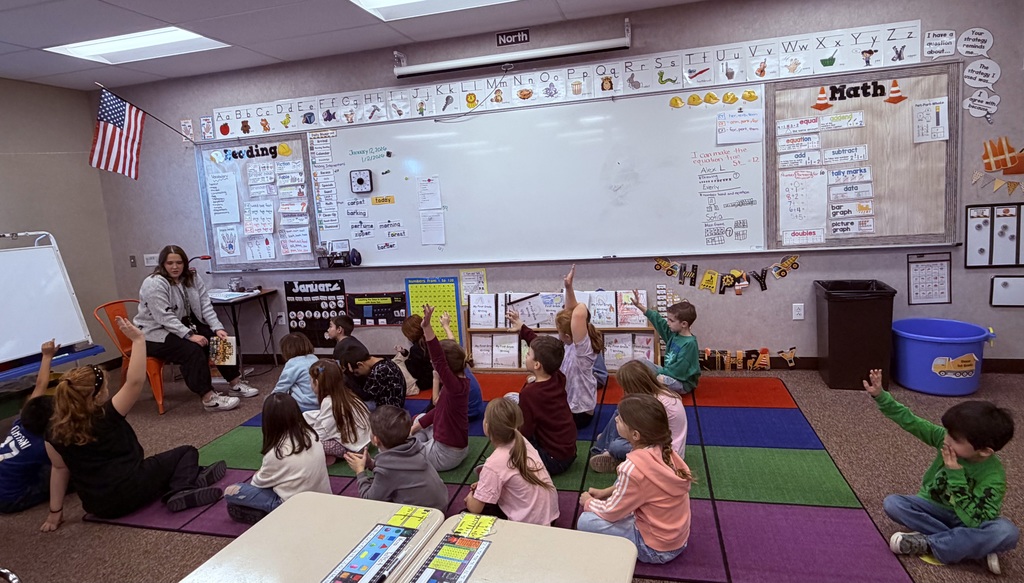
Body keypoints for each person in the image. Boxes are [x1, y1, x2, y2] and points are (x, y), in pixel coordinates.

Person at [41, 317, 227, 531]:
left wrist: (55, 513)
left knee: (158, 468)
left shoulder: (52, 431)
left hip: (98, 505)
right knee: (186, 452)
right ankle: (181, 488)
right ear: (97, 394)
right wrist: (139, 340)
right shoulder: (108, 413)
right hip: (133, 490)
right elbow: (135, 381)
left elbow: (59, 468)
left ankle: (192, 475)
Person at [862, 369, 1018, 575]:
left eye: (955, 439)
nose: (946, 440)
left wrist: (955, 475)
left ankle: (931, 543)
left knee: (1007, 532)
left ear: (984, 451)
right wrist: (882, 397)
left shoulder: (994, 477)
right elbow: (912, 422)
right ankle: (973, 548)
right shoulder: (944, 439)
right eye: (947, 433)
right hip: (934, 508)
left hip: (970, 519)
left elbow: (975, 520)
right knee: (894, 504)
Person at [134, 245, 258, 412]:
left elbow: (205, 305)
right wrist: (189, 335)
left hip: (182, 325)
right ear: (162, 264)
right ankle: (208, 398)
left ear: (185, 263)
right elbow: (164, 317)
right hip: (153, 334)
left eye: (179, 262)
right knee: (192, 349)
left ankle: (235, 383)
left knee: (220, 340)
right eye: (170, 263)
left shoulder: (191, 277)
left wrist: (217, 327)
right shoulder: (154, 283)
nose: (175, 267)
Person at [577, 393, 693, 564]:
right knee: (626, 481)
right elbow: (643, 487)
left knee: (586, 521)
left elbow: (610, 512)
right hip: (676, 540)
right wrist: (605, 492)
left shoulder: (633, 468)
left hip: (654, 549)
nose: (616, 419)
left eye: (621, 419)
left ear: (636, 435)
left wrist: (588, 502)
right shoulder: (665, 452)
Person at [224, 393, 331, 524]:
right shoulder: (311, 435)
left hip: (293, 505)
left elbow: (257, 483)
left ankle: (270, 514)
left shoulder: (277, 452)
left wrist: (262, 473)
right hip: (323, 498)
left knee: (231, 492)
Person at [464, 398, 558, 526]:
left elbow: (475, 508)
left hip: (528, 524)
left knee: (465, 515)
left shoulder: (493, 463)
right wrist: (483, 484)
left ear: (486, 426)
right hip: (549, 515)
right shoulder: (522, 441)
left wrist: (470, 496)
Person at [506, 313, 576, 476]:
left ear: (537, 364)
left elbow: (525, 432)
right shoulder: (558, 376)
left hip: (552, 460)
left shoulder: (530, 394)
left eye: (528, 354)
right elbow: (546, 351)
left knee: (509, 438)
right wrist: (522, 328)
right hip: (569, 452)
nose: (526, 355)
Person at [590, 360, 687, 473]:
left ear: (634, 387)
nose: (624, 392)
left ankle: (610, 451)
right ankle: (606, 449)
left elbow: (643, 437)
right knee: (621, 412)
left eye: (625, 388)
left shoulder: (654, 404)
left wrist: (623, 437)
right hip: (658, 442)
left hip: (665, 454)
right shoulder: (659, 393)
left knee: (617, 446)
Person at [343, 405, 447, 511]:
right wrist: (370, 464)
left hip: (426, 514)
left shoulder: (387, 470)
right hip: (440, 504)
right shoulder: (414, 447)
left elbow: (369, 499)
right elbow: (399, 469)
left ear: (376, 440)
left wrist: (360, 472)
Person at [409, 304, 469, 472]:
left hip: (446, 455)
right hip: (452, 446)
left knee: (402, 450)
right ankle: (418, 438)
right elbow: (438, 410)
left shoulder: (455, 387)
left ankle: (417, 442)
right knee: (420, 418)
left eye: (434, 365)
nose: (433, 366)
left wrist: (427, 327)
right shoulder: (459, 382)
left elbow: (439, 358)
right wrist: (414, 428)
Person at [0, 340, 58, 514]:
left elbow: (40, 387)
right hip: (9, 501)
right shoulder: (42, 446)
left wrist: (47, 356)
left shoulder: (21, 421)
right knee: (63, 473)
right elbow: (62, 467)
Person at [558, 264, 603, 428]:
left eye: (559, 332)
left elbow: (578, 311)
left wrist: (579, 302)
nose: (558, 335)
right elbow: (572, 313)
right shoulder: (572, 343)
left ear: (569, 335)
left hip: (580, 413)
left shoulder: (582, 349)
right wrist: (568, 288)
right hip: (573, 405)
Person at [630, 291, 700, 394]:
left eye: (671, 321)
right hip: (667, 372)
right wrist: (639, 306)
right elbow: (657, 320)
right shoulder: (674, 334)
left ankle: (650, 390)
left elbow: (679, 371)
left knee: (659, 379)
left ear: (684, 324)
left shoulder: (689, 344)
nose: (668, 323)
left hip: (681, 382)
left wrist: (655, 373)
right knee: (640, 362)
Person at [305, 359, 371, 465]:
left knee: (309, 441)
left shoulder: (329, 402)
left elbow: (321, 435)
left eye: (310, 380)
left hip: (354, 449)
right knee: (308, 417)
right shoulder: (348, 395)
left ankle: (331, 455)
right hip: (366, 442)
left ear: (316, 382)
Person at [337, 344, 406, 409]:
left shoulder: (380, 371)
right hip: (393, 403)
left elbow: (365, 396)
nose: (358, 375)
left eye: (357, 372)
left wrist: (348, 378)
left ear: (360, 364)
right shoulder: (384, 362)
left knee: (351, 406)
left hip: (390, 409)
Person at [270, 333, 319, 413]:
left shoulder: (292, 363)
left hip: (303, 405)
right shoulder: (314, 358)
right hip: (320, 403)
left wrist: (270, 400)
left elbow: (282, 386)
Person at [327, 314, 367, 395]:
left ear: (339, 329)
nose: (328, 330)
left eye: (331, 326)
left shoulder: (341, 347)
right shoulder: (353, 341)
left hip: (354, 392)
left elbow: (338, 373)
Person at [397, 315, 434, 395]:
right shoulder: (430, 342)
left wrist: (407, 362)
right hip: (434, 379)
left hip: (424, 383)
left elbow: (415, 372)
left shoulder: (416, 349)